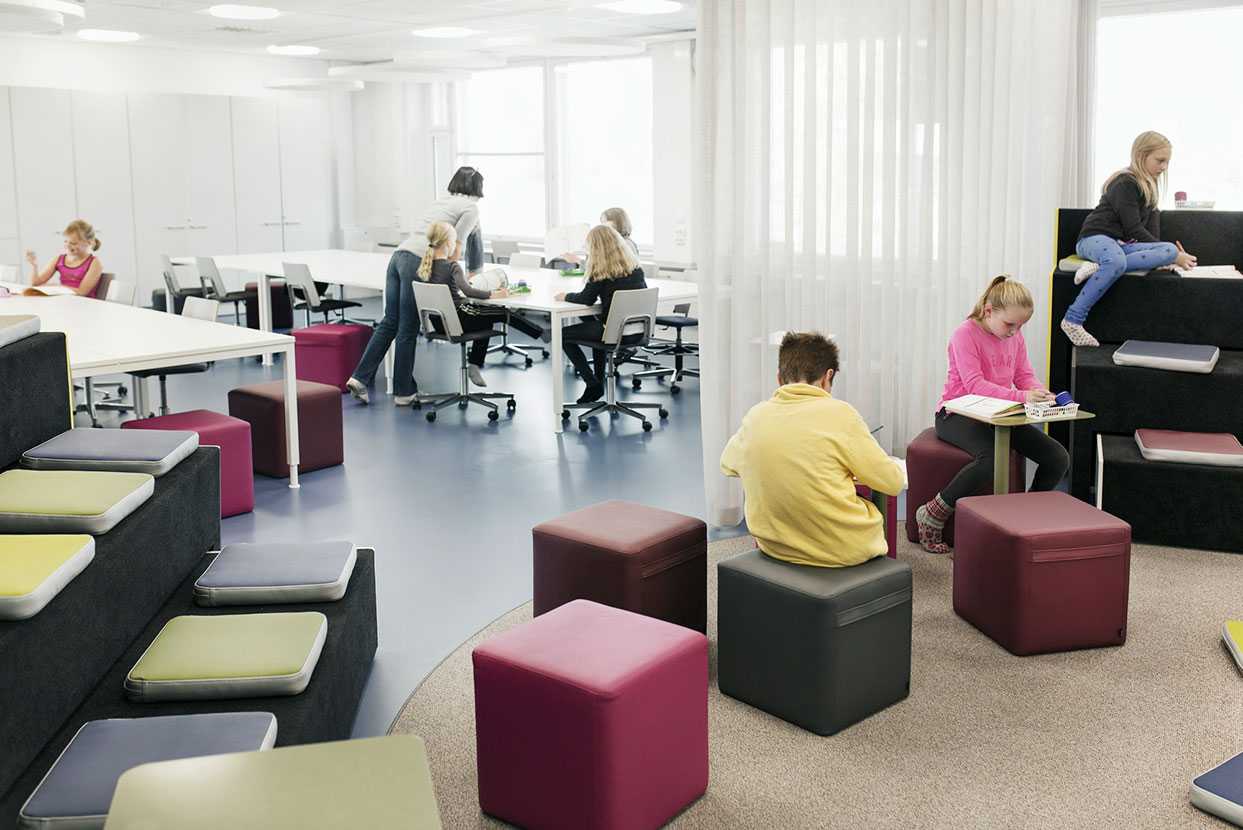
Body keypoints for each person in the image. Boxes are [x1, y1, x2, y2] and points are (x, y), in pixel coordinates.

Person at [720, 332, 905, 568]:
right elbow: (892, 482)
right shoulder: (841, 414)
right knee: (868, 507)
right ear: (828, 377)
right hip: (840, 551)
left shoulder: (756, 416)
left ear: (779, 378)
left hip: (775, 546)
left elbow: (727, 463)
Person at [915, 276, 1069, 554]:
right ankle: (933, 512)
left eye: (1021, 325)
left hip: (999, 414)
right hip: (957, 413)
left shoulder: (1014, 336)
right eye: (1010, 324)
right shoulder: (965, 334)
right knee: (991, 460)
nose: (1015, 332)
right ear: (989, 311)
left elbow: (1024, 376)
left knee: (1057, 458)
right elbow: (974, 385)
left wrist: (1041, 393)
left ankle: (1023, 516)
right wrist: (1022, 396)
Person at [348, 166, 495, 405]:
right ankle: (404, 393)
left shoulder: (442, 201)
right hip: (417, 263)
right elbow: (454, 248)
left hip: (399, 256)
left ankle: (359, 377)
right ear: (478, 188)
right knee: (407, 327)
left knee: (389, 322)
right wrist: (463, 277)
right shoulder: (471, 208)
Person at [1061, 131, 1195, 347]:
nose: (1164, 167)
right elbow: (1133, 229)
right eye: (1160, 161)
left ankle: (1099, 267)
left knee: (1168, 249)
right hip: (1095, 238)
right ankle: (1072, 319)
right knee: (1116, 259)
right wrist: (1167, 256)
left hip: (1118, 246)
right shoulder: (1125, 183)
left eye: (1167, 162)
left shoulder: (1150, 191)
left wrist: (1168, 255)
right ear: (1141, 156)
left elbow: (1152, 238)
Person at [411, 222, 518, 387]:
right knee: (502, 313)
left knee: (488, 317)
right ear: (448, 243)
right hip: (458, 321)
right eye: (454, 241)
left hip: (439, 325)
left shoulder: (425, 266)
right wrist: (495, 294)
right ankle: (542, 334)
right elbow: (468, 291)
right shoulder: (452, 266)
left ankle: (474, 365)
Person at [554, 225, 647, 403]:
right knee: (595, 326)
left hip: (613, 332)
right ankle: (598, 381)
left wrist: (565, 295)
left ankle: (593, 383)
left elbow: (586, 299)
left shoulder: (601, 272)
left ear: (596, 248)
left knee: (561, 335)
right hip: (637, 332)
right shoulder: (636, 268)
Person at [26, 220, 104, 298]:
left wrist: (58, 287)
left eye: (73, 243)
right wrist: (34, 266)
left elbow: (82, 292)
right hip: (64, 302)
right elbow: (35, 284)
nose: (67, 245)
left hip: (85, 305)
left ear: (88, 243)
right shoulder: (59, 259)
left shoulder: (94, 263)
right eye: (66, 241)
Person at [556, 206, 640, 266]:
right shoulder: (629, 242)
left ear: (615, 222)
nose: (602, 227)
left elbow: (602, 272)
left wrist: (577, 260)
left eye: (604, 222)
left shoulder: (621, 245)